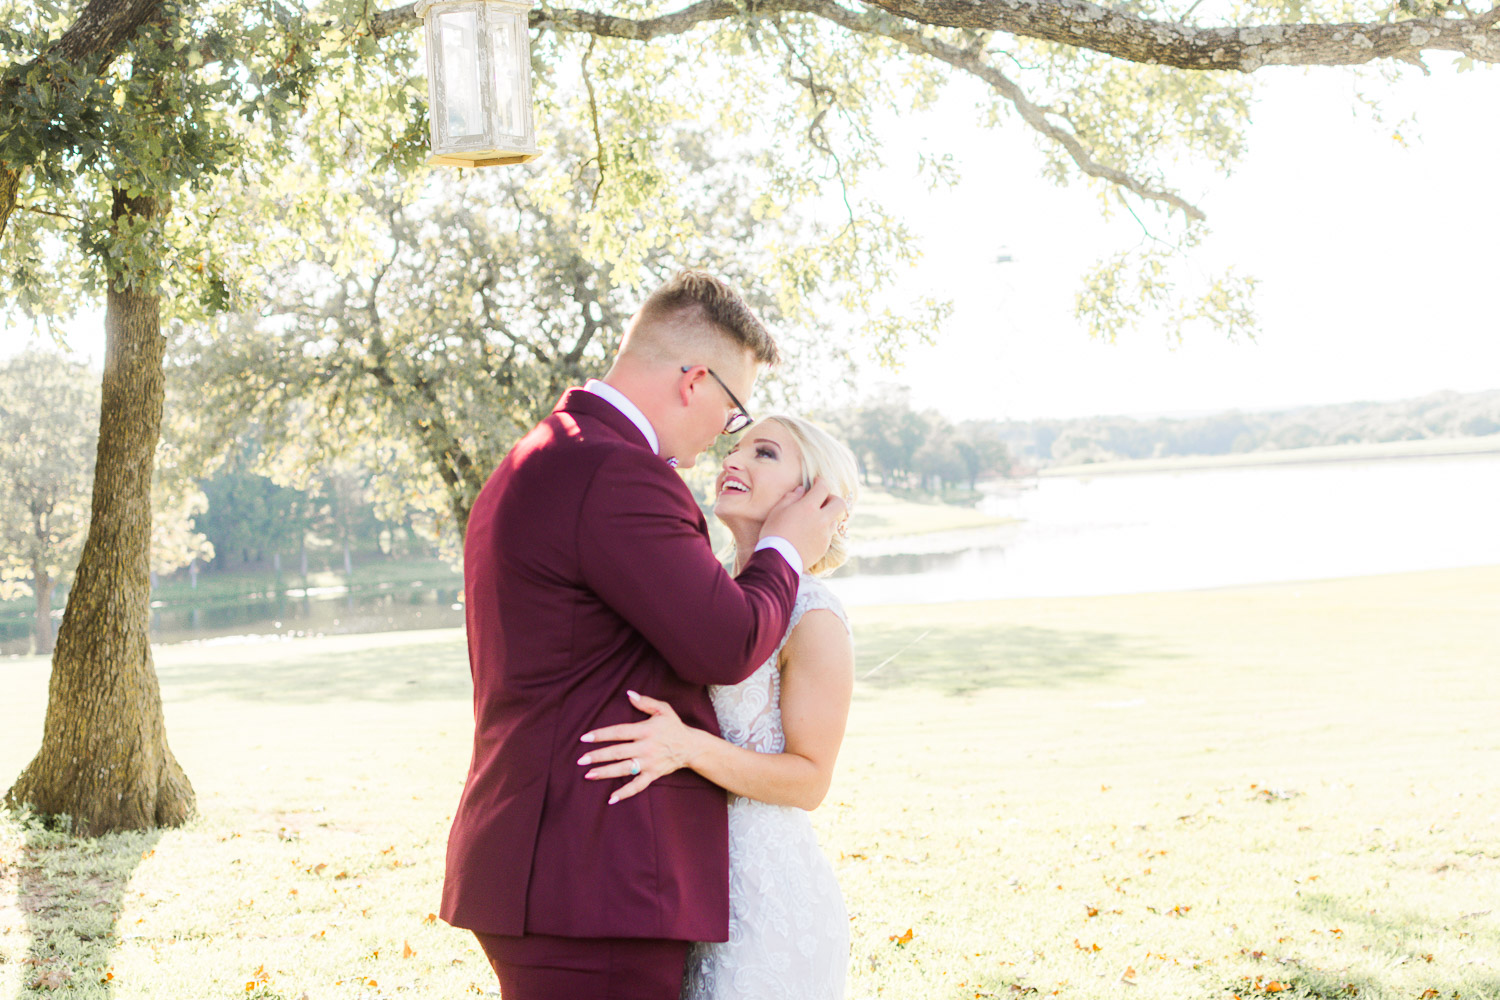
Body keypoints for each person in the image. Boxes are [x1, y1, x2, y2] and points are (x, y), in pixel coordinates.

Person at [439, 270, 847, 1000]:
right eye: (733, 414)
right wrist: (786, 548)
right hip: (591, 874)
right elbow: (726, 645)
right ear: (694, 382)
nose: (726, 439)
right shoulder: (615, 472)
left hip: (563, 865)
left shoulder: (548, 453)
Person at [575, 414, 860, 1000]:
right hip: (677, 885)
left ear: (810, 496)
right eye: (734, 448)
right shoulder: (706, 593)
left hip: (765, 904)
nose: (732, 459)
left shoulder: (814, 616)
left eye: (764, 453)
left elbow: (810, 781)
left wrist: (689, 748)